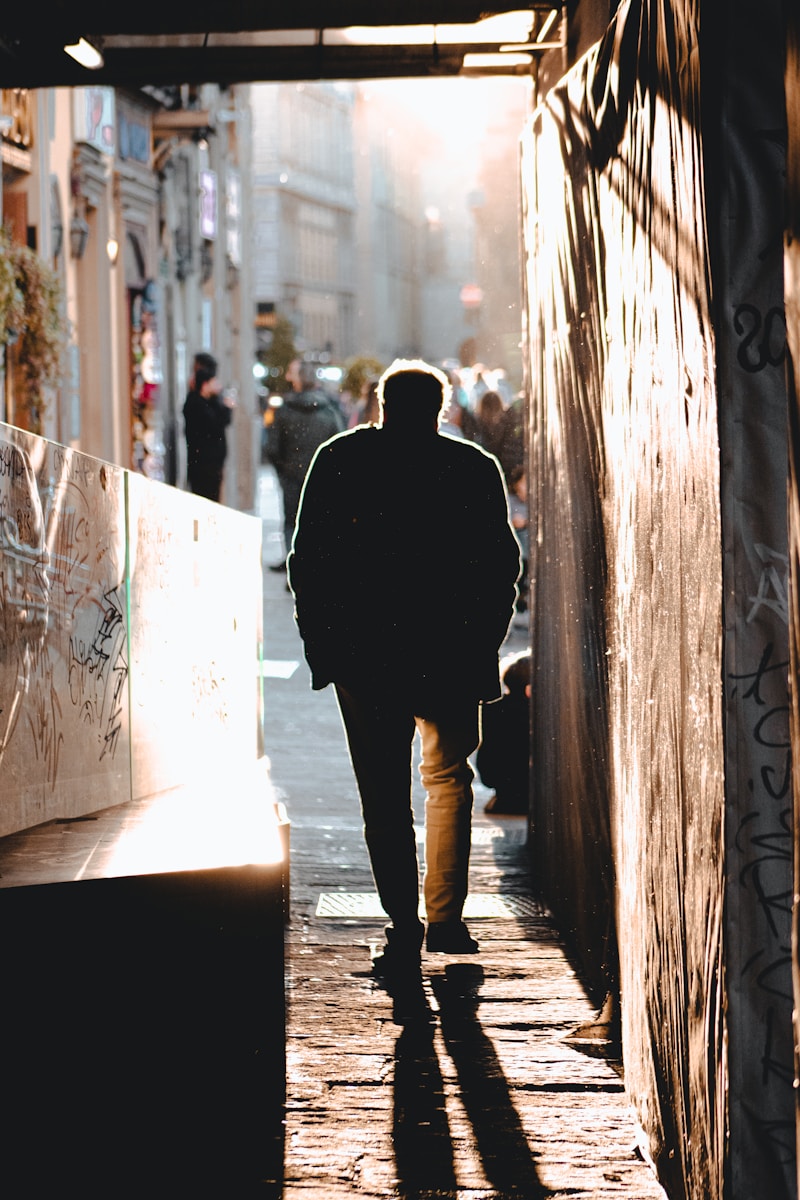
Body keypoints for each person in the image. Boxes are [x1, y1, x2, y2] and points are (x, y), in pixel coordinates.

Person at [288, 359, 520, 1019]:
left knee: (384, 799)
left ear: (380, 404)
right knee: (449, 780)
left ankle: (402, 925)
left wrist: (323, 645)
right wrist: (484, 641)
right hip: (450, 653)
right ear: (442, 407)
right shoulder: (474, 468)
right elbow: (503, 564)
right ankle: (445, 918)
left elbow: (310, 560)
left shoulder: (340, 459)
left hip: (367, 658)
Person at [265, 358, 345, 568]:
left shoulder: (285, 409)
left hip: (292, 475)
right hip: (320, 477)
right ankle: (315, 565)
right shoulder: (329, 410)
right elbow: (339, 443)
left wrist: (283, 469)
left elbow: (272, 447)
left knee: (292, 521)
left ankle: (295, 565)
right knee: (317, 522)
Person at [476, 650, 531, 815]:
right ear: (528, 689)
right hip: (527, 792)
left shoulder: (492, 709)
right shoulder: (535, 713)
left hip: (500, 791)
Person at [182, 352, 234, 502]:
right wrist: (227, 407)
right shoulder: (196, 403)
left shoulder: (208, 401)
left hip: (211, 464)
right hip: (203, 466)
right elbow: (215, 424)